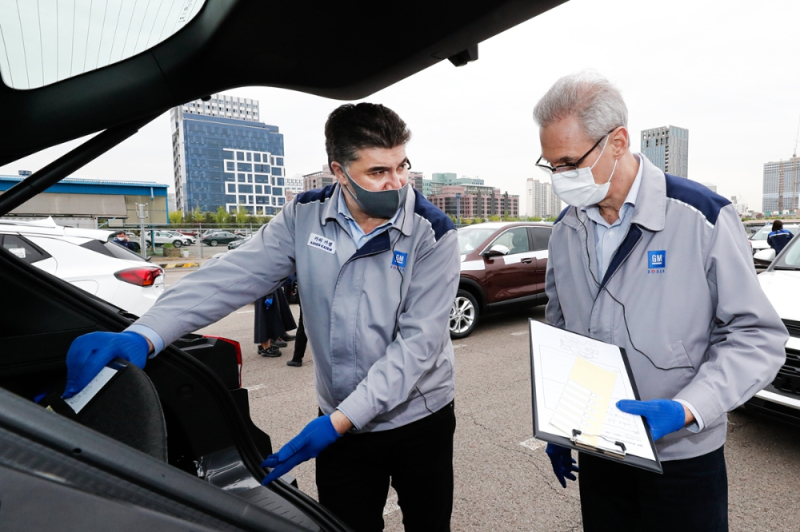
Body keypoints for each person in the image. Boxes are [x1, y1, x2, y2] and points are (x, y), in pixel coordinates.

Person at [62, 103, 460, 532]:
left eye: (403, 166)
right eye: (378, 172)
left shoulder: (432, 232)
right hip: (339, 419)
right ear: (339, 172)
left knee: (428, 523)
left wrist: (340, 421)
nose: (398, 183)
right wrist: (147, 333)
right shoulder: (304, 215)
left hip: (417, 417)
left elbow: (418, 344)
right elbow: (232, 275)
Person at [533, 71, 788, 531]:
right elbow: (561, 328)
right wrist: (558, 421)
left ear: (618, 141)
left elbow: (756, 337)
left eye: (570, 162)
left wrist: (688, 408)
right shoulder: (567, 229)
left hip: (682, 456)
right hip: (601, 449)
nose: (560, 178)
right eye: (551, 165)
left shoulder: (701, 217)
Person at [254, 290, 296, 357]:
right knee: (266, 317)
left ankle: (264, 345)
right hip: (267, 290)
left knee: (266, 316)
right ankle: (266, 348)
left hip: (266, 290)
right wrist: (269, 295)